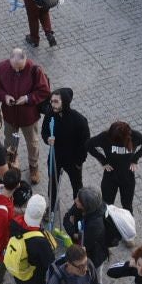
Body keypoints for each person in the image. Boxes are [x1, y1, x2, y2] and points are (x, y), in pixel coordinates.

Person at [0, 47, 50, 185]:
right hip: (10, 115)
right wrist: (4, 96)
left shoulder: (35, 69)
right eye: (14, 68)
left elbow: (44, 90)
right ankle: (11, 164)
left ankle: (33, 166)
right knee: (9, 142)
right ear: (9, 60)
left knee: (32, 143)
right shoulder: (2, 67)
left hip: (28, 117)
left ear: (25, 60)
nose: (17, 70)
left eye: (20, 68)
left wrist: (28, 98)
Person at [41, 86, 90, 221]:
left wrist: (79, 162)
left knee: (77, 186)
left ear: (65, 102)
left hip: (73, 160)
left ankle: (77, 210)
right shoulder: (50, 114)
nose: (52, 104)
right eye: (51, 101)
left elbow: (85, 144)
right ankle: (52, 206)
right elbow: (44, 131)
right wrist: (47, 139)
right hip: (55, 156)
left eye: (56, 101)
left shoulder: (79, 120)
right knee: (52, 183)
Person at [87, 120, 142, 210]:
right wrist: (103, 161)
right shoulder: (105, 136)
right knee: (107, 206)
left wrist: (135, 159)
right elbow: (88, 145)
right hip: (110, 175)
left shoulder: (134, 136)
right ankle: (108, 224)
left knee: (127, 207)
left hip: (127, 177)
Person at [9, 194, 56, 284]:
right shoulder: (40, 242)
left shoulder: (14, 223)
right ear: (42, 214)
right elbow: (50, 263)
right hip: (34, 282)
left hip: (19, 275)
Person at [62, 190, 112, 274]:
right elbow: (66, 219)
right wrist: (74, 233)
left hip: (94, 254)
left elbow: (84, 244)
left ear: (86, 206)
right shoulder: (81, 203)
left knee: (92, 274)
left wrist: (75, 234)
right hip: (85, 242)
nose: (75, 200)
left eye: (78, 200)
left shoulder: (96, 224)